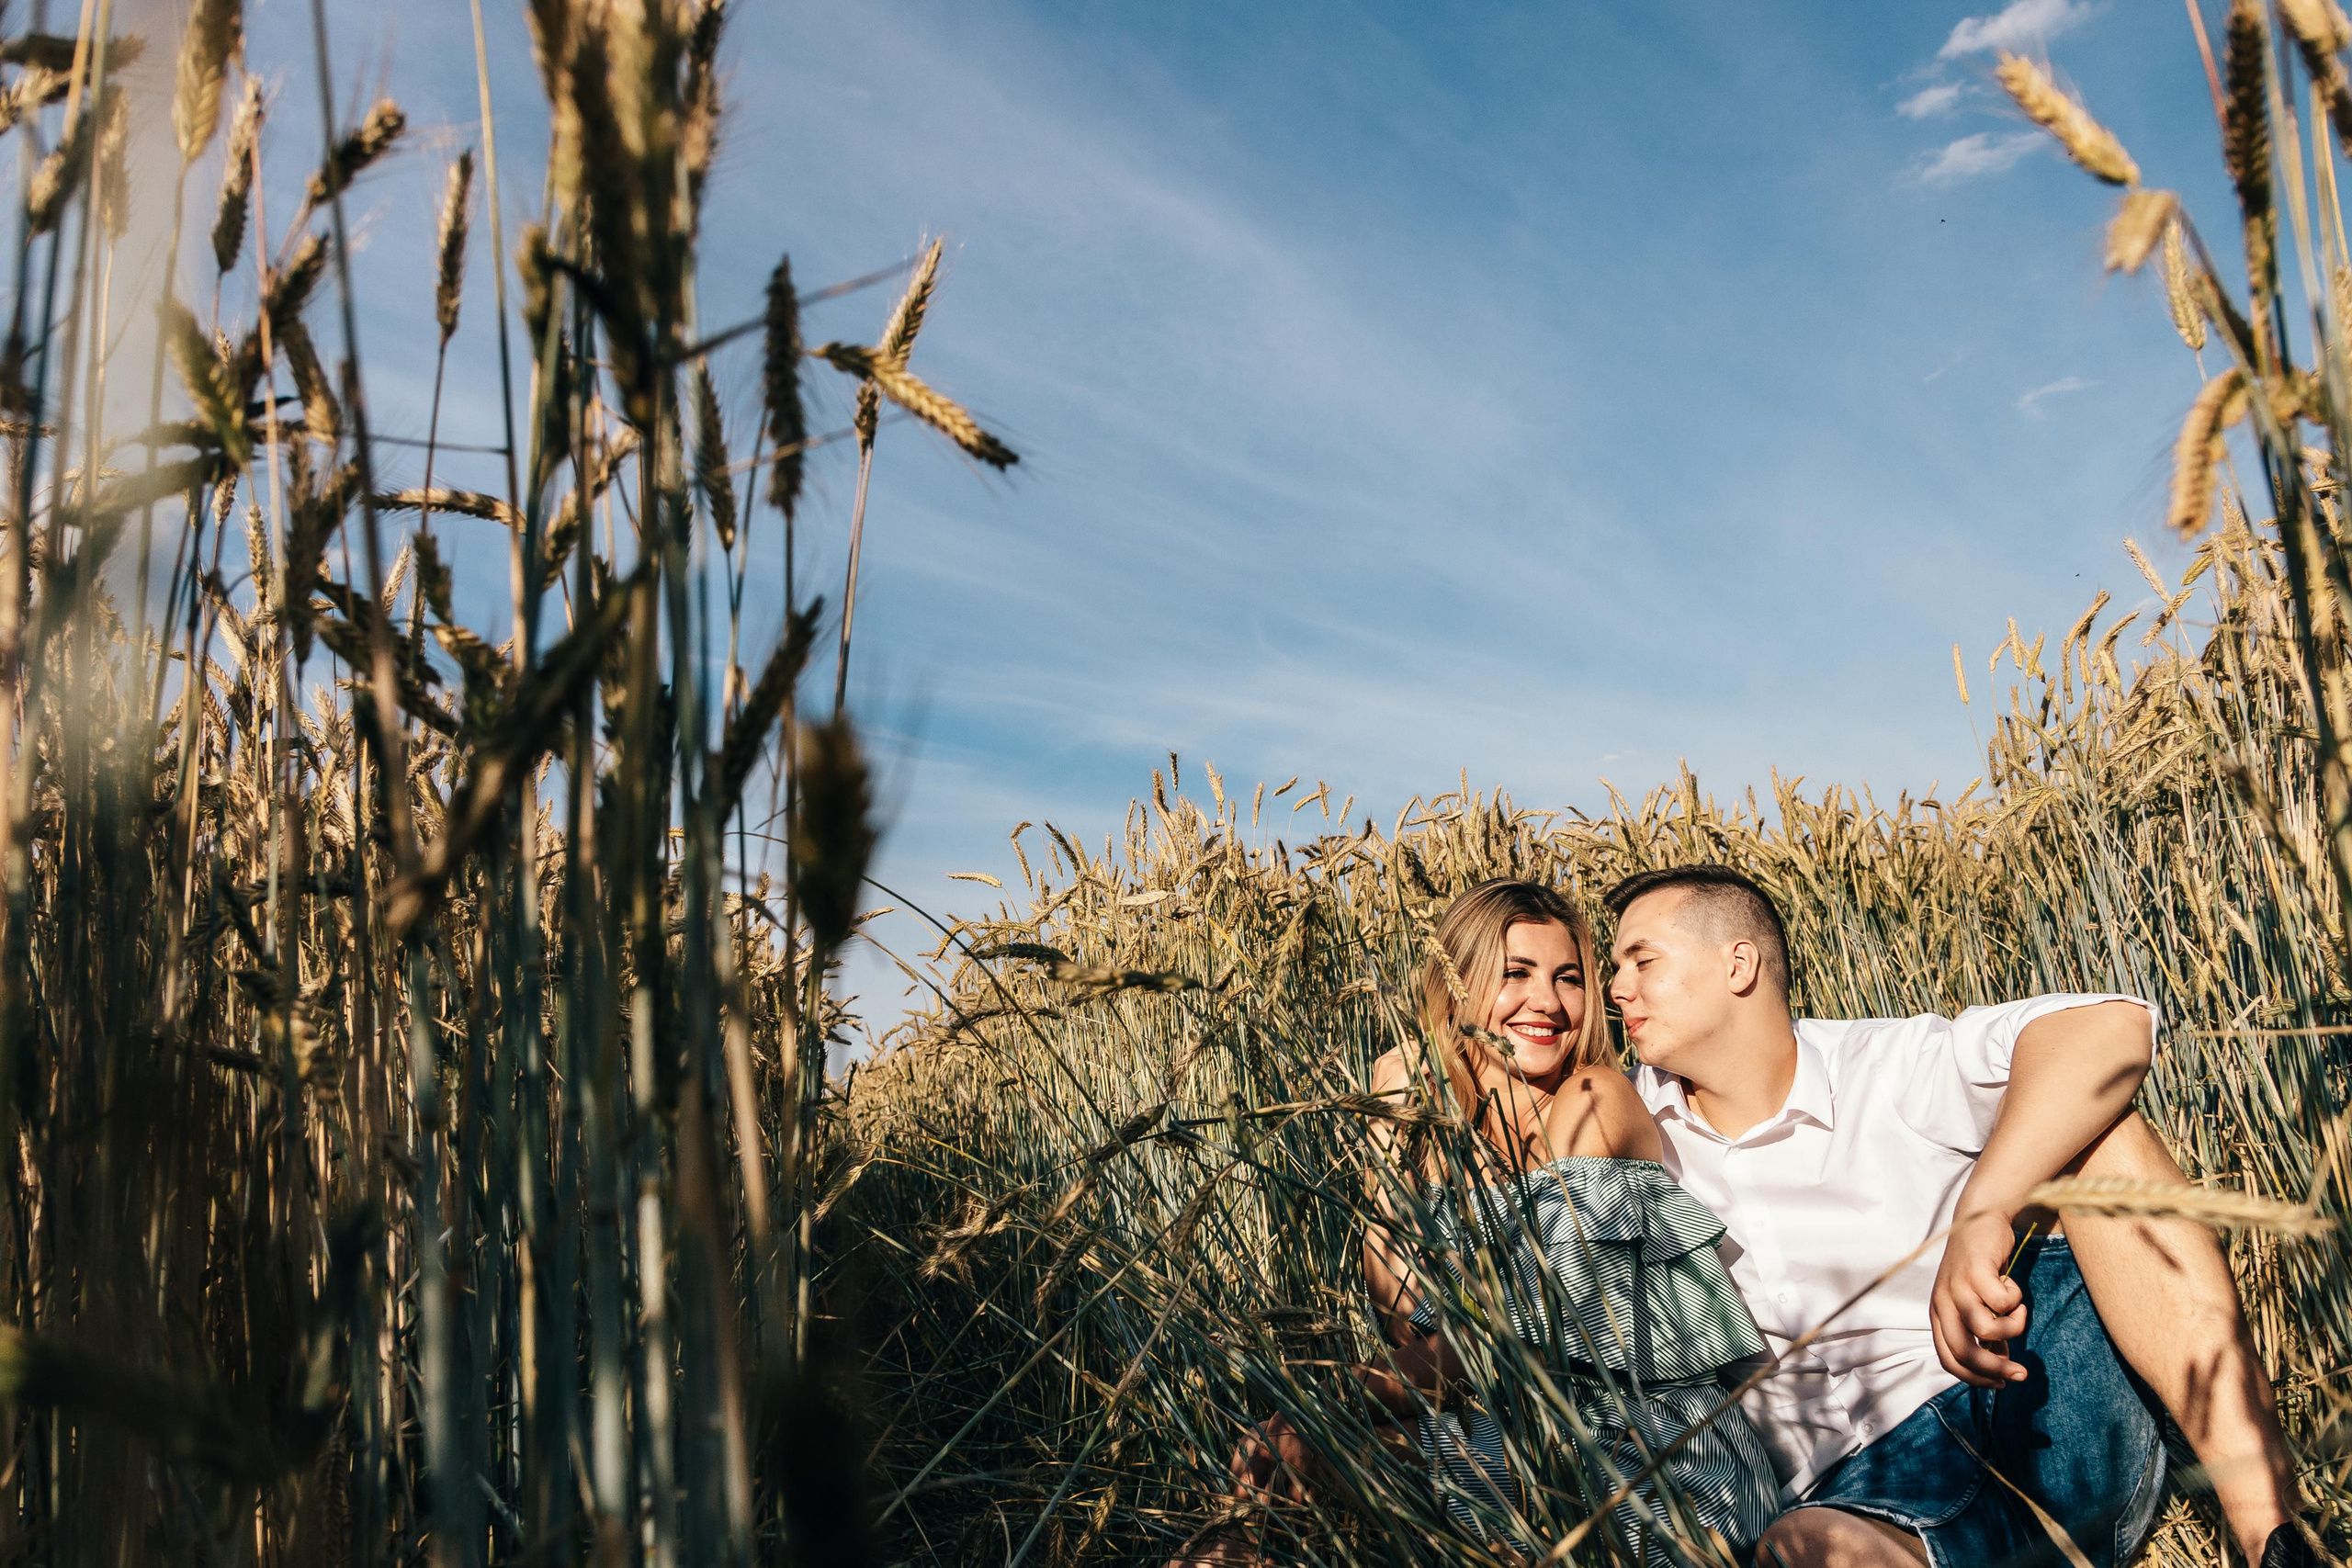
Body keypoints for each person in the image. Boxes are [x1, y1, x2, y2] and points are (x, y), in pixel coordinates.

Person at [1602, 863, 2311, 1568]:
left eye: (1643, 960)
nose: (1617, 987)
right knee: (1804, 1549)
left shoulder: (1883, 1064)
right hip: (1860, 1498)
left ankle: (2272, 1539)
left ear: (1739, 963)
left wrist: (1982, 1212)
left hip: (2031, 1406)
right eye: (1611, 967)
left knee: (2104, 1134)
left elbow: (2110, 1030)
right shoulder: (1628, 1127)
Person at [1177, 878, 1781, 1565]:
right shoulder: (1443, 1129)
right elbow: (1409, 1327)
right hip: (1518, 1437)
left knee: (1306, 1450)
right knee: (1280, 1475)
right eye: (1514, 973)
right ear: (1456, 986)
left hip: (1654, 1461)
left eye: (1569, 978)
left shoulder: (1594, 1099)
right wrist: (1391, 1134)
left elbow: (1505, 1347)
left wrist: (1317, 1403)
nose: (1547, 1002)